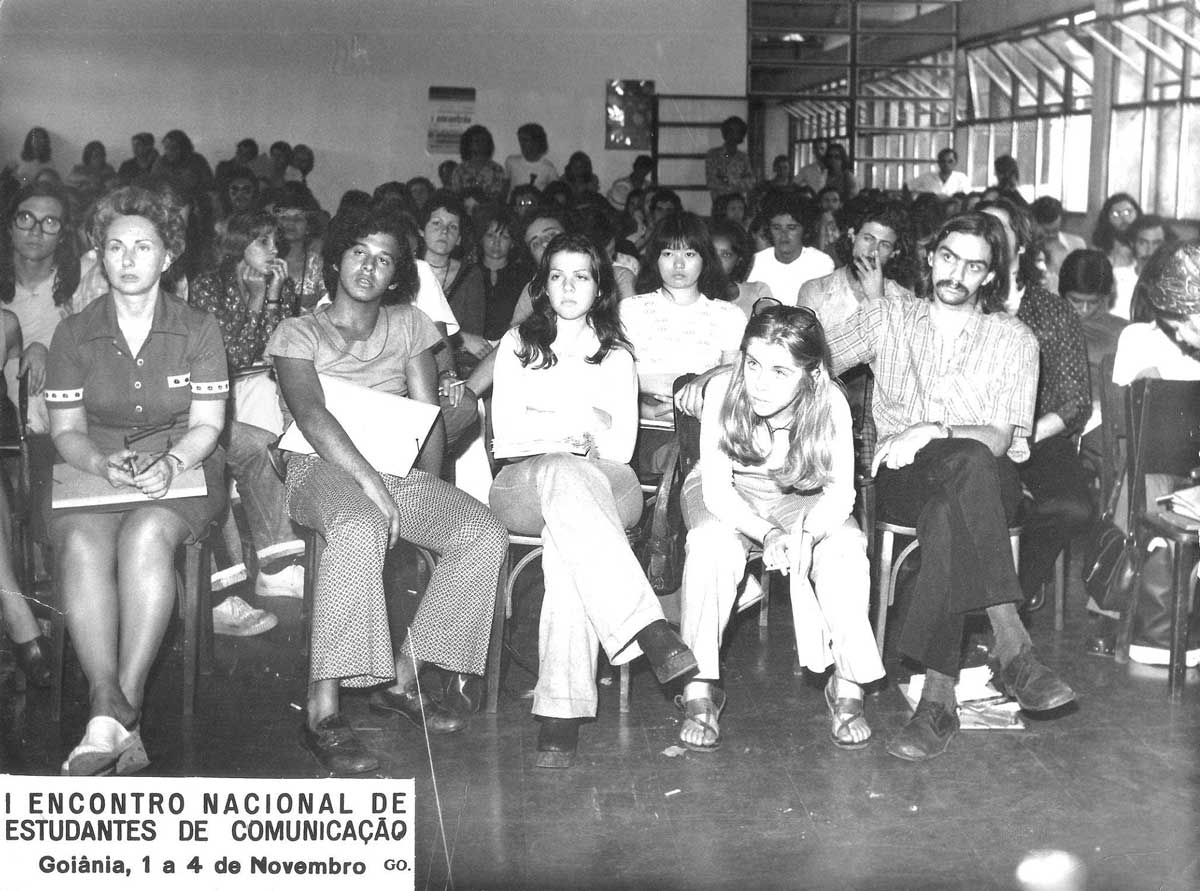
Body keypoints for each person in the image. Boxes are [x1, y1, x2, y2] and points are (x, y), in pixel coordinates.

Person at [825, 211, 1075, 761]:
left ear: (990, 276)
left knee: (963, 478)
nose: (957, 273)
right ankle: (1010, 647)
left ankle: (939, 700)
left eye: (974, 266)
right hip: (904, 478)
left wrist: (933, 429)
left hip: (989, 474)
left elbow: (1000, 436)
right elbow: (809, 354)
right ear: (930, 255)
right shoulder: (887, 318)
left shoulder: (1014, 338)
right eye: (949, 257)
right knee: (949, 506)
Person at [267, 203, 507, 774]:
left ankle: (405, 679)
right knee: (359, 523)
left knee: (481, 530)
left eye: (384, 259)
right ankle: (322, 712)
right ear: (337, 259)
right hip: (316, 464)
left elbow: (426, 418)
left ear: (398, 273)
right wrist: (372, 483)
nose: (369, 268)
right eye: (358, 253)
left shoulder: (411, 325)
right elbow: (312, 415)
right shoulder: (297, 331)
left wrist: (429, 488)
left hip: (396, 469)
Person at [488, 232, 698, 768]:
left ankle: (560, 712)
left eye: (581, 275)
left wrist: (549, 422)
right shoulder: (516, 344)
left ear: (599, 286)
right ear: (543, 285)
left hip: (608, 484)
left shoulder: (616, 355)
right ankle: (648, 627)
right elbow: (506, 438)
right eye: (556, 275)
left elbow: (621, 446)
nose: (568, 285)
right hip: (523, 485)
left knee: (569, 535)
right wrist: (580, 424)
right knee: (562, 473)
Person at [46, 186, 230, 775]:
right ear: (99, 255)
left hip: (182, 467)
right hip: (93, 469)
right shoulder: (72, 333)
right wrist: (102, 465)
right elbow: (66, 431)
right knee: (79, 540)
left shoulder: (200, 328)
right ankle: (110, 704)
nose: (127, 260)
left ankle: (116, 712)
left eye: (142, 247)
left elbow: (207, 424)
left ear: (167, 256)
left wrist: (172, 462)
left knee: (147, 535)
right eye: (115, 247)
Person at [678, 306, 885, 751]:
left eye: (779, 371)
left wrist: (805, 537)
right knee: (711, 542)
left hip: (799, 494)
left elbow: (840, 494)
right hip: (729, 492)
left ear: (811, 375)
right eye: (752, 363)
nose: (759, 382)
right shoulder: (723, 392)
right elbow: (716, 492)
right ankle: (699, 686)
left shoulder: (830, 402)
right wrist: (766, 534)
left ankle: (847, 684)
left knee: (846, 543)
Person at [979, 198, 1093, 602]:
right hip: (977, 439)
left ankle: (1018, 587)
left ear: (1022, 245)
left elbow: (1076, 398)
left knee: (1074, 506)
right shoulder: (966, 304)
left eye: (998, 229)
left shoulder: (1052, 310)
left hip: (1039, 437)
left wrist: (1027, 435)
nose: (986, 237)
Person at [189, 210, 304, 608]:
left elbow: (281, 346)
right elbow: (227, 357)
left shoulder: (280, 284)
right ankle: (269, 554)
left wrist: (272, 296)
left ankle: (276, 564)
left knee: (271, 394)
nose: (275, 250)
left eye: (276, 241)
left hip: (257, 382)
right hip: (211, 393)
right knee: (258, 406)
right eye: (264, 242)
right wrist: (258, 299)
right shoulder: (208, 286)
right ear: (241, 246)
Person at [1100, 243, 1200, 665]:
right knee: (1152, 481)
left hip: (1178, 469)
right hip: (1158, 464)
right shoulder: (1138, 336)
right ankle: (1138, 611)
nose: (1184, 336)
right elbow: (1133, 416)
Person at [623, 214, 743, 431]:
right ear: (655, 259)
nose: (678, 264)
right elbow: (614, 379)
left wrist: (701, 386)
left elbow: (734, 380)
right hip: (642, 429)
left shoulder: (729, 315)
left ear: (705, 259)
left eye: (689, 253)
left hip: (704, 429)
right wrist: (641, 409)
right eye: (668, 253)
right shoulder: (629, 310)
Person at [0, 308, 52, 688]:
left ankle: (15, 609)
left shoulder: (5, 323)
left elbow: (15, 365)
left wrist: (37, 348)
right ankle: (18, 615)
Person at [746, 192, 834, 304]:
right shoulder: (756, 261)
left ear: (804, 229)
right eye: (777, 228)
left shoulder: (822, 263)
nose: (784, 235)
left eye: (791, 228)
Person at [273, 186, 327, 312]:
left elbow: (326, 306)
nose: (290, 223)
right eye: (284, 218)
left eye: (297, 219)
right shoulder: (268, 260)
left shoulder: (317, 264)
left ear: (309, 226)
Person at [709, 218, 772, 318]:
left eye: (726, 255)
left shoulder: (757, 291)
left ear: (739, 259)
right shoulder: (691, 295)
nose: (717, 261)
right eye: (712, 253)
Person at [705, 116, 756, 213]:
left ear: (742, 134)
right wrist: (739, 183)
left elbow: (751, 183)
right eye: (730, 131)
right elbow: (711, 182)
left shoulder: (743, 157)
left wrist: (728, 180)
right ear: (725, 132)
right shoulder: (713, 155)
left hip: (739, 207)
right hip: (720, 206)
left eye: (737, 131)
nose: (733, 135)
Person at [449, 125, 508, 201]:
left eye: (483, 141)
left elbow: (498, 198)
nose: (480, 144)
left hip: (489, 210)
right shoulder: (460, 170)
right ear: (468, 144)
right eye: (476, 141)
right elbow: (455, 196)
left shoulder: (496, 169)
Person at [1091, 192, 1141, 274]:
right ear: (1107, 219)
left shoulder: (1148, 245)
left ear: (1137, 213)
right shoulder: (1098, 250)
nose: (1123, 218)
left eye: (1128, 212)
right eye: (1116, 214)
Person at [504, 123, 558, 191]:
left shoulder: (549, 168)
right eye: (520, 140)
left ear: (536, 142)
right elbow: (505, 186)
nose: (521, 143)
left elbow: (555, 192)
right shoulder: (511, 162)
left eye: (526, 140)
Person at [65, 141, 118, 208]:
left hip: (102, 200)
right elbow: (70, 179)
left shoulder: (108, 168)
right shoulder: (79, 168)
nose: (99, 159)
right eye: (96, 156)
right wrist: (87, 177)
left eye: (102, 155)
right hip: (82, 200)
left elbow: (114, 183)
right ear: (88, 157)